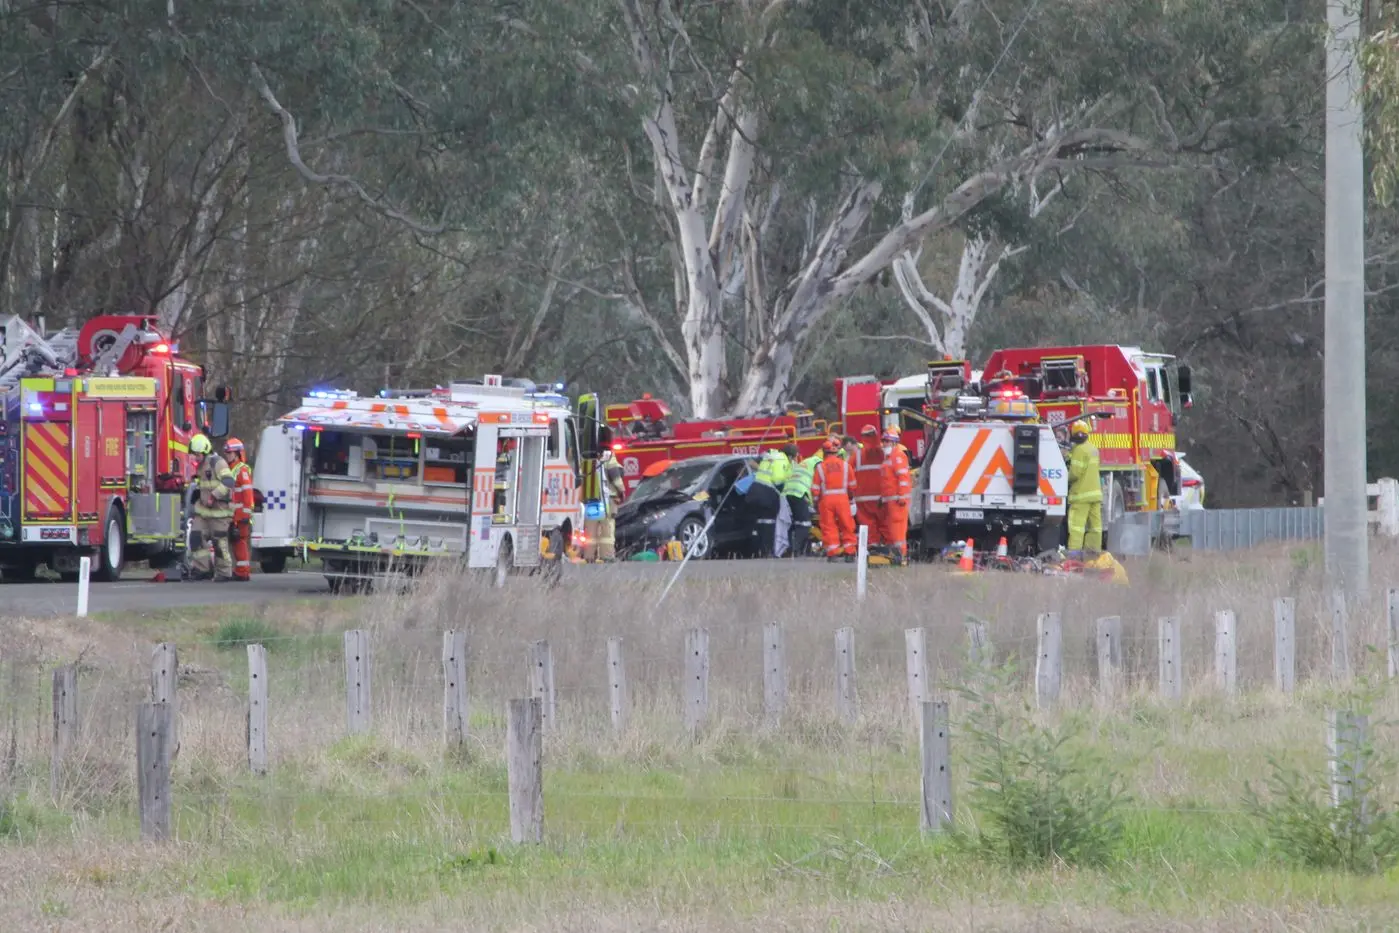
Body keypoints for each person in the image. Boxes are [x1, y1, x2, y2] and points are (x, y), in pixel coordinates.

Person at [189, 433, 236, 581]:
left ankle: (224, 572)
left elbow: (229, 482)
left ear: (205, 451)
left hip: (220, 513)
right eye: (194, 454)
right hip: (204, 513)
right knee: (195, 536)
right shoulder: (200, 467)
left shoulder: (218, 463)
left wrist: (214, 495)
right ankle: (203, 569)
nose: (195, 458)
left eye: (197, 455)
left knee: (219, 542)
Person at [812, 437, 856, 562]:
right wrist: (850, 498)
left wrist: (815, 502)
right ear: (837, 452)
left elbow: (815, 488)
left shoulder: (820, 467)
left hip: (826, 500)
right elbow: (852, 486)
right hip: (843, 499)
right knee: (847, 525)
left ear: (824, 453)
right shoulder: (846, 466)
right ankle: (850, 552)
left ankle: (832, 553)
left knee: (829, 527)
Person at [1066, 419, 1103, 554]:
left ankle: (1074, 557)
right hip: (1095, 495)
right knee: (1095, 528)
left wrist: (1064, 478)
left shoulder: (1079, 450)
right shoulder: (1093, 449)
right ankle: (1092, 555)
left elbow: (1074, 473)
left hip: (1080, 496)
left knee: (1076, 527)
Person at [878, 427, 913, 565]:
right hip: (890, 501)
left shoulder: (898, 456)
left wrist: (902, 496)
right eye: (883, 441)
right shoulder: (888, 458)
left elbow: (903, 478)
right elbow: (887, 481)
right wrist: (883, 497)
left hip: (897, 502)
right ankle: (896, 556)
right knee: (892, 531)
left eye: (886, 441)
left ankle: (901, 557)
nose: (884, 444)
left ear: (893, 443)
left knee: (897, 532)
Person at [583, 450, 626, 562]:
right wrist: (622, 491)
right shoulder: (609, 457)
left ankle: (589, 556)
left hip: (592, 499)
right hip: (607, 500)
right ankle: (607, 556)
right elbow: (616, 478)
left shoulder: (586, 457)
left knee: (591, 530)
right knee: (607, 529)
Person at [781, 443, 821, 558]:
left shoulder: (807, 462)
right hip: (799, 493)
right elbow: (817, 485)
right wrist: (814, 504)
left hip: (788, 492)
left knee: (793, 523)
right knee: (804, 524)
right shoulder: (819, 463)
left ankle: (789, 549)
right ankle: (795, 550)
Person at [749, 447, 790, 558]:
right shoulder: (783, 459)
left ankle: (759, 550)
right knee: (769, 522)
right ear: (790, 457)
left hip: (754, 490)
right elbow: (778, 479)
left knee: (759, 522)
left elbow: (751, 462)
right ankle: (767, 551)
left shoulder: (769, 455)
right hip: (767, 493)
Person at [225, 437, 255, 581]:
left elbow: (247, 493)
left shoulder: (242, 470)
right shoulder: (232, 469)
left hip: (241, 514)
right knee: (236, 541)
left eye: (230, 453)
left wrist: (246, 514)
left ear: (237, 454)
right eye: (227, 453)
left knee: (240, 541)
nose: (227, 455)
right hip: (234, 514)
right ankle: (240, 570)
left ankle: (243, 571)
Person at [853, 425, 884, 551]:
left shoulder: (857, 456)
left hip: (862, 497)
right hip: (881, 496)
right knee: (883, 523)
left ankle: (873, 546)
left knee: (868, 523)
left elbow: (848, 472)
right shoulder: (883, 453)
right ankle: (885, 548)